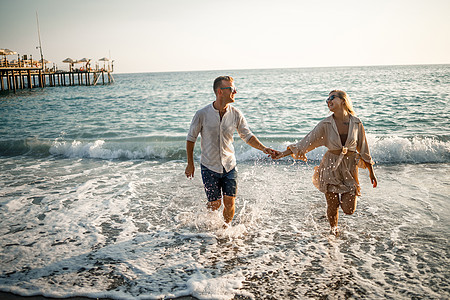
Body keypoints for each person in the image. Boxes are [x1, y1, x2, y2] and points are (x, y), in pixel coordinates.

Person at [274, 90, 377, 234]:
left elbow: (364, 149)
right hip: (330, 167)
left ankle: (333, 211)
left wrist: (372, 172)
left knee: (349, 209)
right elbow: (305, 143)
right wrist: (282, 154)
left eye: (332, 98)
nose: (328, 101)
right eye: (327, 99)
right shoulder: (325, 124)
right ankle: (333, 231)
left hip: (349, 168)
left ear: (343, 100)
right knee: (332, 205)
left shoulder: (356, 123)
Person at [185, 76, 279, 225]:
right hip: (209, 166)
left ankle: (225, 229)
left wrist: (264, 148)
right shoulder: (202, 114)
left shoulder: (236, 114)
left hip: (229, 165)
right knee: (215, 205)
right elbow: (191, 139)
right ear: (220, 91)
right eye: (231, 89)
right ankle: (209, 226)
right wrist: (190, 164)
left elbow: (247, 136)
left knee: (229, 202)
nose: (235, 91)